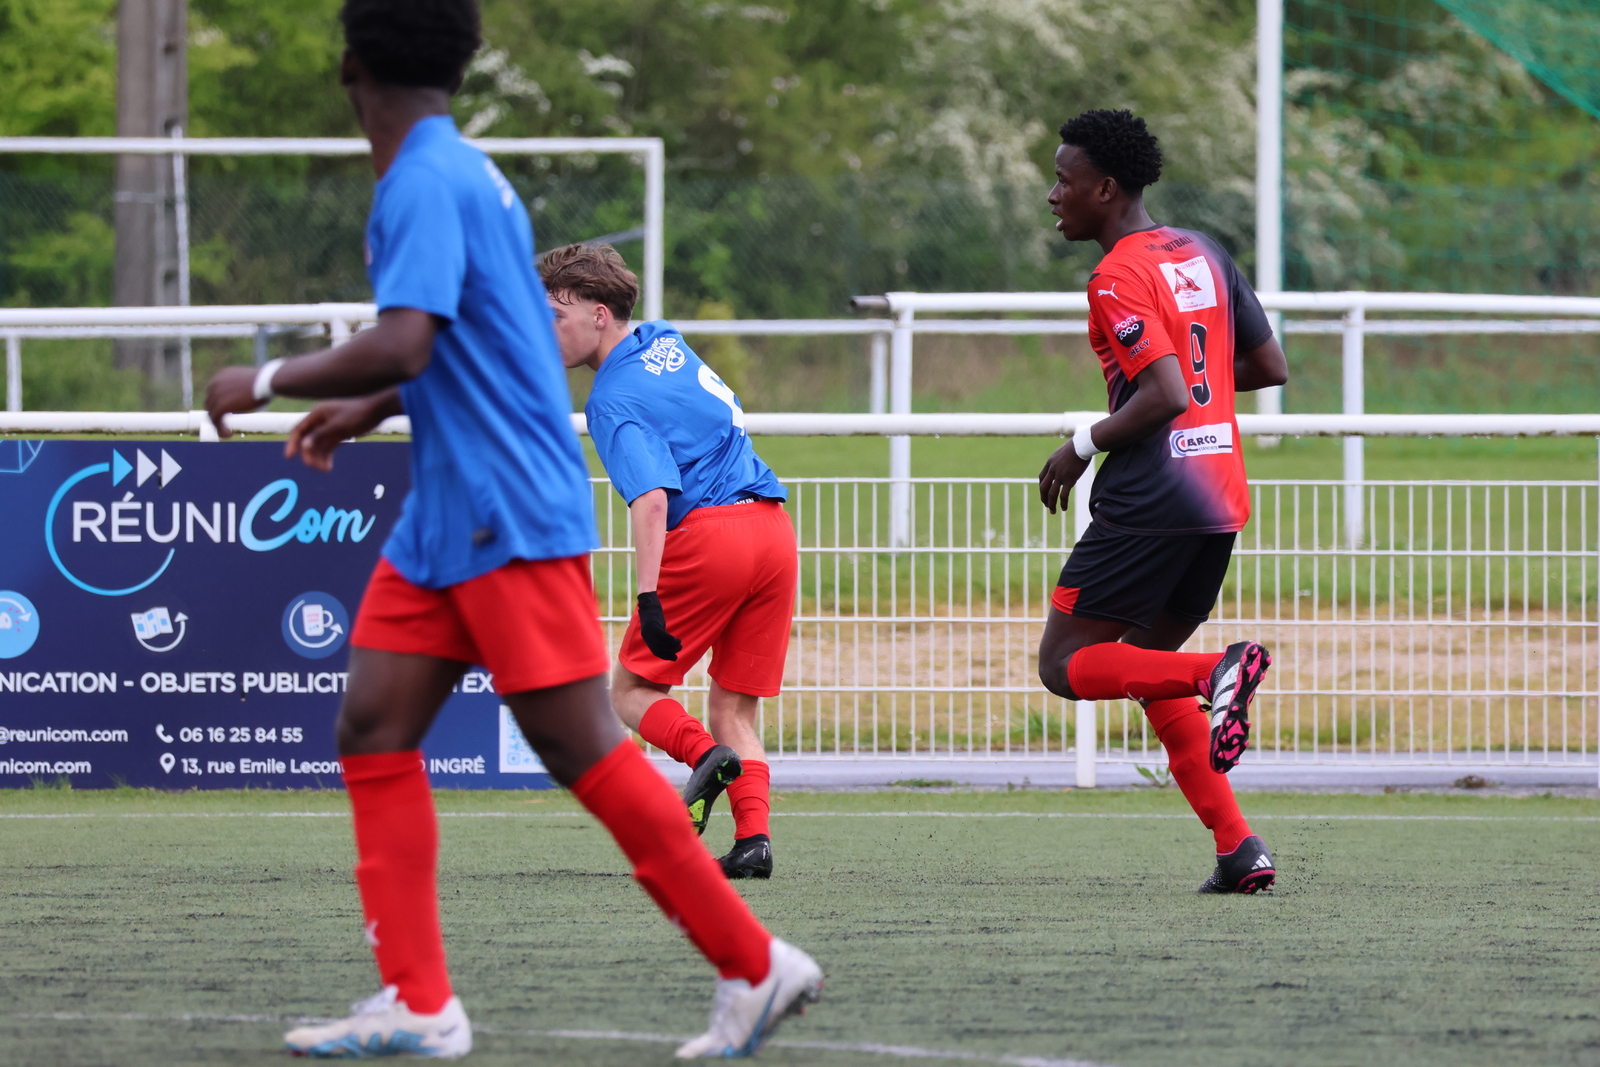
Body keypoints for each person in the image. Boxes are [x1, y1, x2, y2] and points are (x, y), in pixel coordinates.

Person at [203, 1, 820, 1057]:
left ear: (351, 68)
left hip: (502, 509)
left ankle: (754, 962)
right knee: (373, 725)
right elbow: (477, 344)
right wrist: (369, 407)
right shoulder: (469, 174)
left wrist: (265, 379)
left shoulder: (422, 181)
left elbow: (407, 338)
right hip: (450, 511)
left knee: (581, 739)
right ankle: (420, 1000)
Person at [1035, 109, 1289, 894]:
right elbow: (1268, 366)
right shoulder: (1205, 250)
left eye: (1064, 180)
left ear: (1105, 188)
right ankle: (1238, 847)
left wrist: (1081, 445)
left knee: (1064, 665)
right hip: (1218, 498)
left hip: (1149, 501)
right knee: (1148, 670)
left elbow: (1167, 394)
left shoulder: (1116, 276)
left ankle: (1220, 670)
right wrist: (1187, 385)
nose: (1053, 195)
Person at [539, 243, 794, 881]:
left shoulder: (609, 399)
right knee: (734, 708)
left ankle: (705, 757)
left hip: (713, 538)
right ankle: (754, 841)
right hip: (773, 530)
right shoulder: (662, 339)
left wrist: (647, 595)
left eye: (556, 315)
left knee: (631, 692)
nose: (545, 329)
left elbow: (652, 499)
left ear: (599, 315)